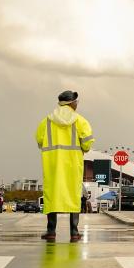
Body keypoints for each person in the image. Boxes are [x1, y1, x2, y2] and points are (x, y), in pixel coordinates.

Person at [36, 90, 94, 242]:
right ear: (72, 103)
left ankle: (51, 231)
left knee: (52, 195)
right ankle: (74, 233)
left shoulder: (46, 121)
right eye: (77, 102)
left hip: (52, 165)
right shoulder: (81, 121)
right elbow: (87, 144)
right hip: (73, 165)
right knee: (74, 195)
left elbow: (39, 141)